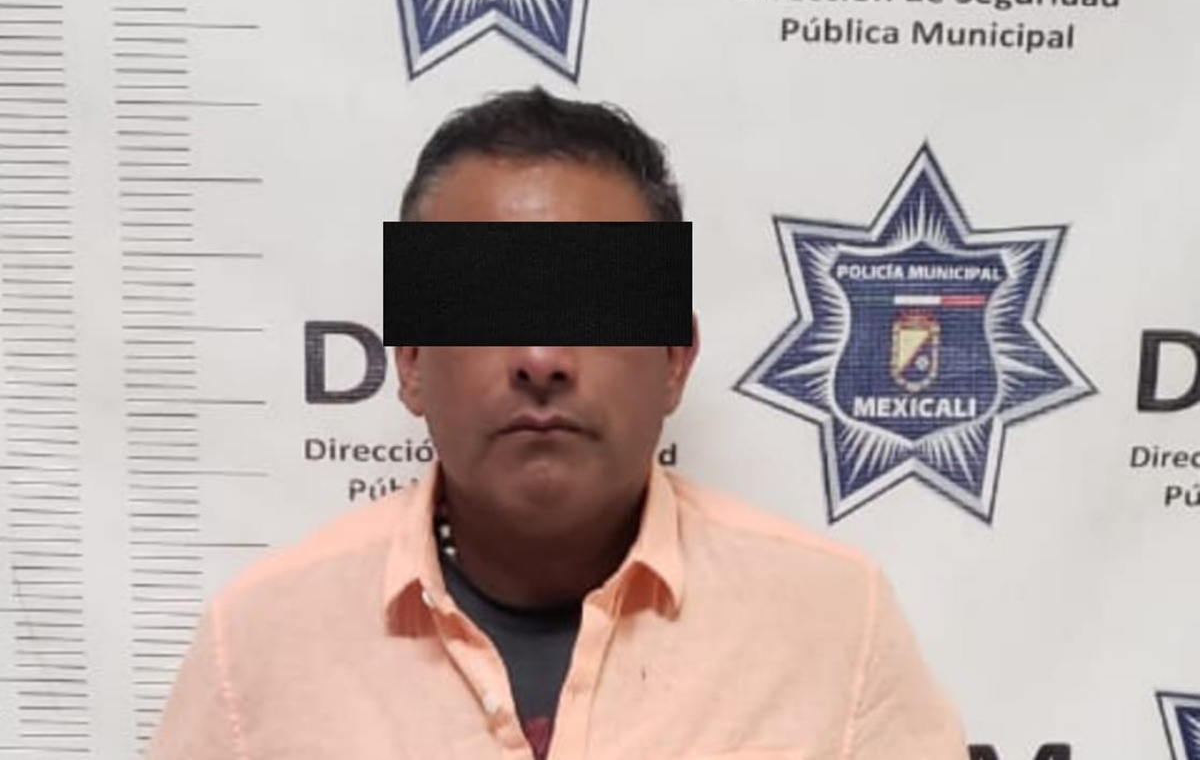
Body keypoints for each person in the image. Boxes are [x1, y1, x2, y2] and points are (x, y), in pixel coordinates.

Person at [147, 86, 968, 760]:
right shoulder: (256, 645)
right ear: (411, 362)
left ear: (674, 359)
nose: (541, 357)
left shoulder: (834, 621)